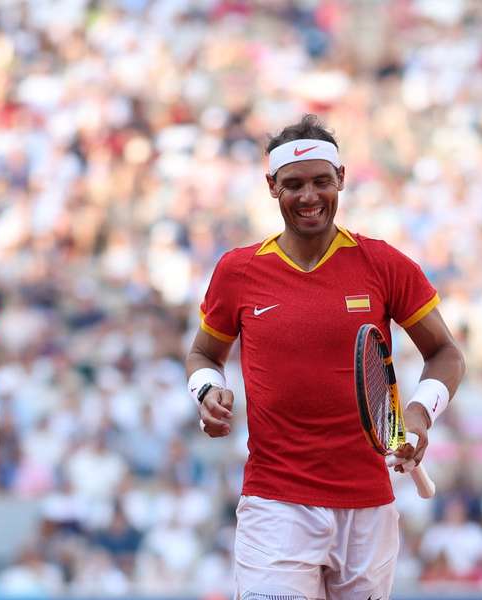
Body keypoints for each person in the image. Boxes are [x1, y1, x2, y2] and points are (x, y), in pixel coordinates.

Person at [185, 114, 466, 600]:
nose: (309, 196)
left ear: (341, 178)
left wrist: (419, 415)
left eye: (321, 181)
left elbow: (445, 354)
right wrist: (206, 391)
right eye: (293, 184)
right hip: (275, 505)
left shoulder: (384, 264)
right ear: (272, 187)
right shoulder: (238, 270)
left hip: (369, 508)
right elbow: (202, 353)